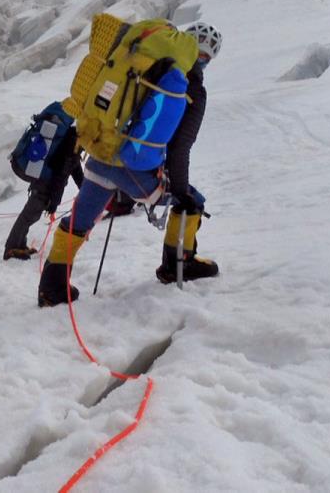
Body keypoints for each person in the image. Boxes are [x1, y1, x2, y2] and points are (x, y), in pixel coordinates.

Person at [38, 21, 222, 307]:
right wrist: (182, 189)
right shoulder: (192, 89)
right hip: (131, 167)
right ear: (205, 58)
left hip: (102, 151)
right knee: (191, 202)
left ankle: (52, 287)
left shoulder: (143, 66)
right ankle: (177, 265)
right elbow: (180, 147)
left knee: (81, 217)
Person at [4, 123, 83, 261]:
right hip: (46, 183)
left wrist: (85, 189)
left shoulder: (73, 138)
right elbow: (61, 172)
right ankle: (12, 248)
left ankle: (19, 244)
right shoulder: (74, 143)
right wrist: (54, 199)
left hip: (46, 180)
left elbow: (74, 168)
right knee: (29, 214)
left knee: (32, 215)